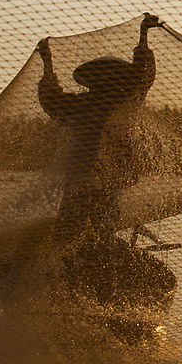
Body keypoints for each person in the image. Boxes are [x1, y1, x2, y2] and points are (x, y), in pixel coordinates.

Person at [36, 13, 161, 250]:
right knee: (77, 227)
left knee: (95, 224)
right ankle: (79, 260)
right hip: (85, 178)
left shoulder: (124, 101)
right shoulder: (82, 105)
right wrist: (47, 62)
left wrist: (144, 35)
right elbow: (51, 98)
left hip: (104, 178)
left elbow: (143, 74)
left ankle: (91, 257)